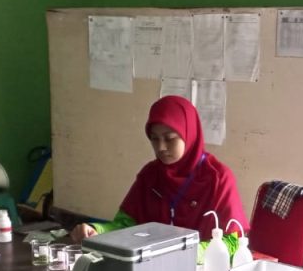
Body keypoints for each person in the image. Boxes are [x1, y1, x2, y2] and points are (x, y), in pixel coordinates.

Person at [71, 95, 248, 251]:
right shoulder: (150, 175)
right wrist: (96, 230)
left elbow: (232, 242)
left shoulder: (218, 178)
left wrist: (188, 254)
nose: (161, 147)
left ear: (189, 134)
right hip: (151, 267)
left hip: (201, 270)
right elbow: (125, 224)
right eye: (154, 139)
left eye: (169, 139)